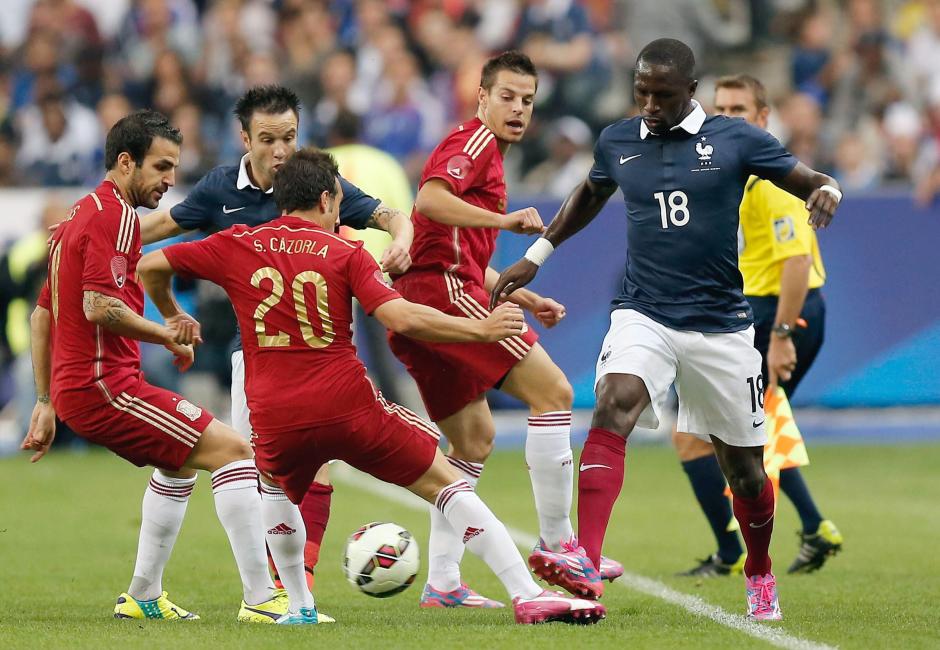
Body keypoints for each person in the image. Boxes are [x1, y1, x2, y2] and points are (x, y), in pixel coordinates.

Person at [137, 148, 608, 626]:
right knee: (446, 480)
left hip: (274, 415)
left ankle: (299, 607)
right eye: (339, 201)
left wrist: (173, 315)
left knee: (275, 492)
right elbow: (401, 316)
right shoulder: (346, 252)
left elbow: (150, 268)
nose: (340, 211)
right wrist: (481, 332)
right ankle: (527, 594)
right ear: (324, 199)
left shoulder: (236, 243)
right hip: (347, 406)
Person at [491, 39, 843, 621]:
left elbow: (814, 179)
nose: (649, 104)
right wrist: (539, 252)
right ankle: (585, 557)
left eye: (662, 94)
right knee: (614, 400)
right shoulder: (619, 140)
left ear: (690, 92)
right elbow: (590, 192)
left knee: (747, 472)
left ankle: (758, 571)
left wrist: (828, 192)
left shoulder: (736, 140)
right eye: (641, 92)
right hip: (644, 311)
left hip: (721, 328)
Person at [20, 110, 296, 624]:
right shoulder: (115, 217)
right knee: (235, 451)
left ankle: (144, 595)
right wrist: (164, 331)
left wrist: (44, 400)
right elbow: (97, 306)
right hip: (105, 387)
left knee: (178, 464)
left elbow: (44, 314)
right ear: (125, 163)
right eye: (162, 167)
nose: (170, 181)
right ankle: (262, 599)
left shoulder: (77, 215)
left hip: (87, 388)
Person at [136, 84, 414, 588]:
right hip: (256, 355)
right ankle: (263, 588)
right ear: (244, 138)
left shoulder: (316, 185)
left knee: (317, 466)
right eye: (268, 139)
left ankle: (290, 581)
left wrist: (402, 239)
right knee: (257, 468)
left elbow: (391, 215)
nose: (280, 150)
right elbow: (159, 229)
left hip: (321, 354)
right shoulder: (220, 189)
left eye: (289, 136)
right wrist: (98, 238)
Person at [389, 50, 621, 608]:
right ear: (482, 98)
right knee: (555, 392)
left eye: (527, 100)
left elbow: (457, 253)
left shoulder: (486, 151)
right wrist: (504, 220)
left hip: (431, 296)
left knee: (472, 442)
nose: (518, 109)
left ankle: (443, 583)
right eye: (508, 97)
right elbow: (430, 201)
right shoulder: (474, 145)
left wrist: (525, 294)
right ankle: (558, 541)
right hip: (442, 297)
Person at [672, 74, 842, 578]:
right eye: (720, 108)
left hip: (781, 314)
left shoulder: (773, 177)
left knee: (707, 435)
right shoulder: (740, 172)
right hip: (761, 314)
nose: (728, 117)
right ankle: (812, 528)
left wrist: (782, 336)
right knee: (752, 431)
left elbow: (794, 261)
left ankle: (735, 551)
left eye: (740, 109)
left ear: (764, 118)